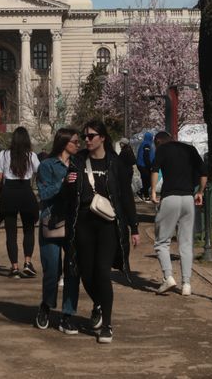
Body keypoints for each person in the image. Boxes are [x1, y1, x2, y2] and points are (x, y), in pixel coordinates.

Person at [67, 119, 139, 344]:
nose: (86, 140)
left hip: (108, 224)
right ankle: (99, 303)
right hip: (84, 223)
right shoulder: (78, 162)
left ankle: (106, 324)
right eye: (85, 136)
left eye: (91, 136)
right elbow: (69, 195)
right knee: (86, 272)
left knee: (102, 272)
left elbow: (126, 197)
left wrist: (134, 227)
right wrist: (68, 183)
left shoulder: (115, 164)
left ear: (102, 138)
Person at [34, 128, 81, 334]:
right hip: (51, 221)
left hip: (74, 223)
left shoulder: (79, 165)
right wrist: (62, 184)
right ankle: (46, 306)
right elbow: (43, 193)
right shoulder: (47, 165)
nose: (78, 145)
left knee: (73, 269)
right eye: (75, 142)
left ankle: (67, 314)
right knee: (52, 269)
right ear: (64, 143)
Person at [149, 130, 206, 296]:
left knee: (161, 242)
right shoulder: (190, 149)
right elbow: (203, 173)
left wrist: (153, 191)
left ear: (158, 141)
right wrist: (200, 192)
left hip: (170, 198)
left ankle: (168, 277)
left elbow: (155, 170)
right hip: (188, 198)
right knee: (186, 243)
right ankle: (186, 284)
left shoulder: (162, 150)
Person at [0, 126, 40, 278]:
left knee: (11, 233)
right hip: (26, 192)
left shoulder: (4, 154)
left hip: (9, 194)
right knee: (29, 229)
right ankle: (27, 263)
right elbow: (40, 172)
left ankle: (14, 267)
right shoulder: (31, 155)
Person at [135, 132, 156, 200]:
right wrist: (150, 166)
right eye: (152, 137)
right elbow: (146, 156)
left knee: (147, 181)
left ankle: (143, 193)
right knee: (148, 180)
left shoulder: (145, 143)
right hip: (143, 165)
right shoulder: (147, 144)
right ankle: (145, 195)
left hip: (142, 165)